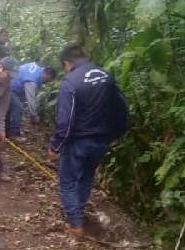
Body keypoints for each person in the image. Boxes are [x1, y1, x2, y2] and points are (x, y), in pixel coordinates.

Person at [48, 43, 129, 238]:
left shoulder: (70, 82)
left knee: (68, 181)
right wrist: (117, 133)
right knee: (85, 177)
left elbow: (65, 121)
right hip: (101, 141)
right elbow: (122, 108)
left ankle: (76, 225)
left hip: (78, 142)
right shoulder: (106, 76)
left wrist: (56, 146)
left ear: (67, 63)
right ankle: (79, 213)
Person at [7, 62, 56, 142]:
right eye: (48, 80)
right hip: (10, 88)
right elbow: (31, 99)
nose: (47, 82)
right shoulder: (32, 80)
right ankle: (14, 134)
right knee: (18, 108)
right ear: (46, 75)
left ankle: (6, 131)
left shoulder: (37, 69)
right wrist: (34, 115)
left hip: (10, 83)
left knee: (11, 108)